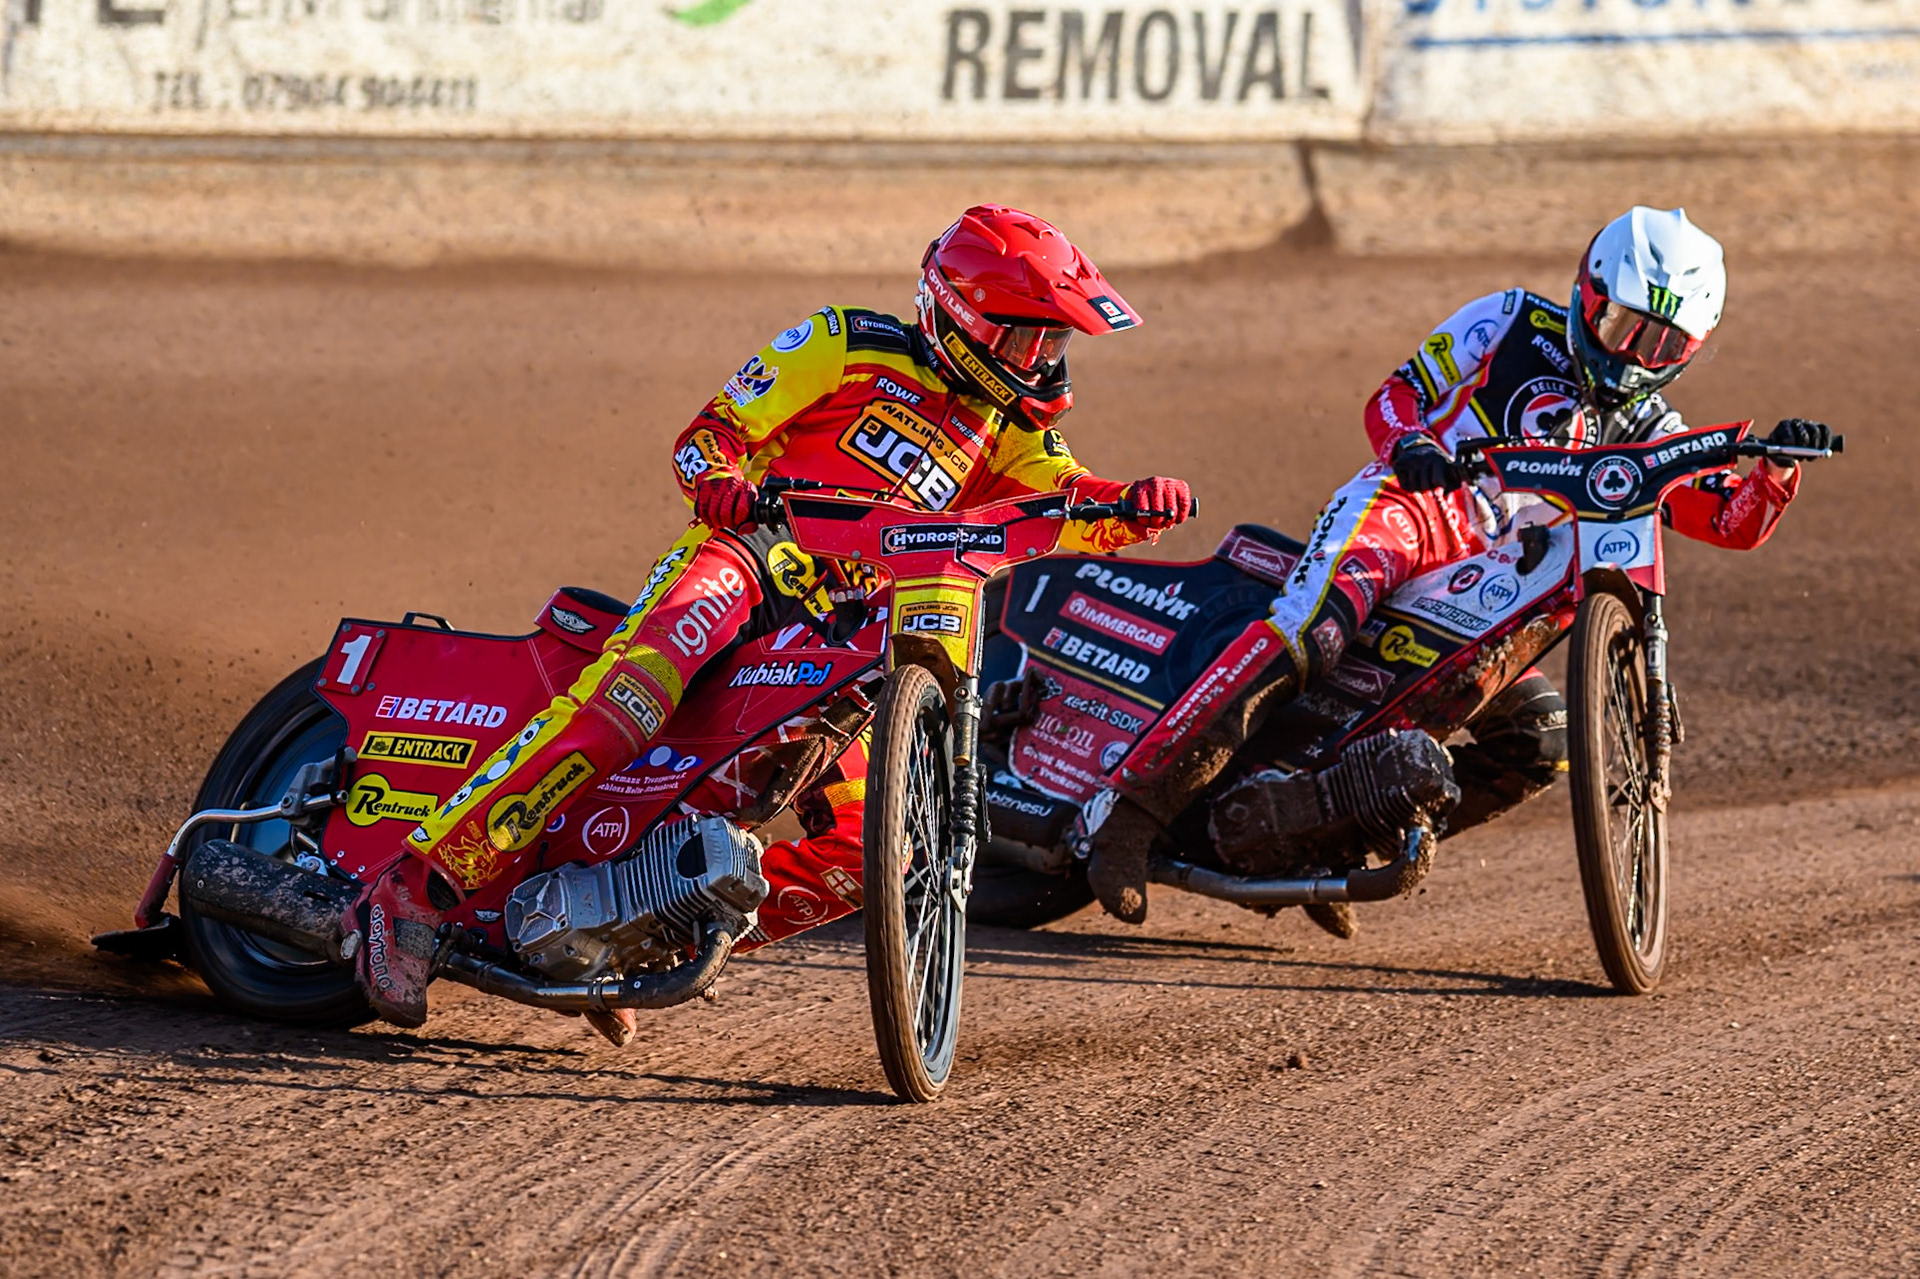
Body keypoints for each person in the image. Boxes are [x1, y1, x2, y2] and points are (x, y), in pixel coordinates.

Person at [350, 204, 1197, 1028]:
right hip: (744, 565)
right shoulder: (845, 343)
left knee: (878, 853)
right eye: (1029, 336)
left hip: (840, 637)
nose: (1045, 358)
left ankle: (638, 938)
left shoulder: (1006, 431)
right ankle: (410, 892)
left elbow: (1069, 497)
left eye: (1054, 341)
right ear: (964, 317)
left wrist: (1134, 503)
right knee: (624, 709)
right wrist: (720, 478)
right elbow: (705, 437)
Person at [1084, 206, 1833, 924]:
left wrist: (1775, 473)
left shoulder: (1648, 431)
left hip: (1495, 581)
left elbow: (1729, 521)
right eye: (1620, 325)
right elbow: (1396, 395)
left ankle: (1331, 830)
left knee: (1538, 743)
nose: (1633, 355)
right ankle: (1131, 814)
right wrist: (1412, 446)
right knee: (1310, 633)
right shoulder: (1510, 318)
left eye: (1661, 346)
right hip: (1409, 510)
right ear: (1586, 292)